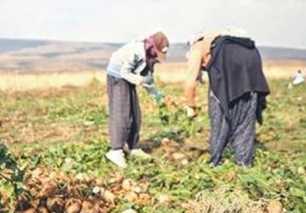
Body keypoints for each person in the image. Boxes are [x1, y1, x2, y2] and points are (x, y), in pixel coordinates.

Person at [184, 30, 270, 167]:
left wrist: (190, 105)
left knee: (219, 116)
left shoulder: (197, 46)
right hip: (252, 60)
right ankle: (244, 164)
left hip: (227, 63)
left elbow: (190, 80)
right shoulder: (223, 39)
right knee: (245, 119)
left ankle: (215, 161)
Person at [105, 32, 169, 168]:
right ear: (153, 47)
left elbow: (148, 78)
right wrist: (140, 80)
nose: (158, 57)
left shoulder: (151, 56)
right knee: (122, 114)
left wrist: (155, 94)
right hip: (118, 77)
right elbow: (124, 73)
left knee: (135, 113)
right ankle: (115, 150)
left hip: (129, 78)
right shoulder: (135, 51)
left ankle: (134, 147)